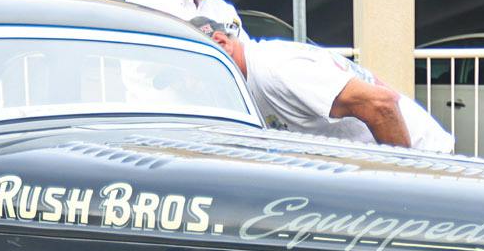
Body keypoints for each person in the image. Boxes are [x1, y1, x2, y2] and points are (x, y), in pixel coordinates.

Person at [190, 16, 454, 153]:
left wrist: (406, 187)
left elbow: (381, 102)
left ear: (222, 43)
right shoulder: (253, 76)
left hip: (425, 160)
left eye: (195, 72)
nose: (195, 84)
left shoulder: (276, 69)